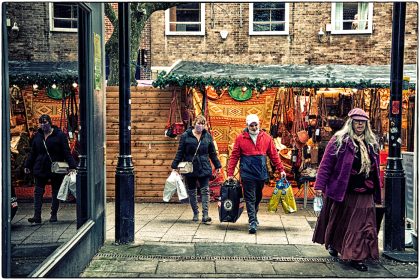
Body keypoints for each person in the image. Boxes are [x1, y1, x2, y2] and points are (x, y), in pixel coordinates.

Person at [312, 108, 381, 272]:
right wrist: (319, 186)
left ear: (366, 124)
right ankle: (337, 245)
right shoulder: (339, 140)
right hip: (344, 190)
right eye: (357, 121)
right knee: (342, 220)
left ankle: (356, 256)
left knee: (363, 224)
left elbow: (375, 168)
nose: (359, 124)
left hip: (366, 191)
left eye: (363, 122)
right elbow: (326, 165)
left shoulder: (371, 143)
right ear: (350, 123)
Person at [227, 114, 287, 234]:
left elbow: (274, 155)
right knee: (250, 197)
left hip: (261, 173)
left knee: (258, 196)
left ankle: (254, 214)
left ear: (259, 124)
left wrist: (281, 169)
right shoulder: (240, 138)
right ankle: (252, 221)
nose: (254, 127)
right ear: (247, 125)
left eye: (256, 125)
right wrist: (230, 173)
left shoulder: (267, 138)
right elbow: (234, 156)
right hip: (247, 173)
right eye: (251, 125)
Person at [24, 114, 77, 224]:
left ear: (50, 122)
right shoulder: (37, 136)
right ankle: (36, 216)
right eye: (41, 123)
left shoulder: (59, 135)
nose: (43, 125)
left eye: (45, 123)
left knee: (55, 191)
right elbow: (33, 152)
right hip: (40, 167)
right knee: (38, 191)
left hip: (55, 168)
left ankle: (53, 214)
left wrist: (72, 166)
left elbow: (66, 152)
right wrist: (27, 165)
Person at [171, 115, 221, 224]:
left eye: (203, 124)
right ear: (194, 123)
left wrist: (218, 165)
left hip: (204, 166)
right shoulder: (186, 136)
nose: (200, 126)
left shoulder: (207, 136)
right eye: (199, 123)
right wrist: (174, 166)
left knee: (205, 191)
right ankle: (195, 213)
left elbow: (212, 153)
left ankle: (205, 214)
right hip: (190, 167)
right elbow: (180, 152)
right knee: (192, 192)